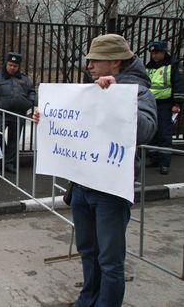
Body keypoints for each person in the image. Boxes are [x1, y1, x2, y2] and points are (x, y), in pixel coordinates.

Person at [35, 34, 157, 307]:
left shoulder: (137, 91)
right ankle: (88, 299)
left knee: (110, 260)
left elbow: (147, 129)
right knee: (88, 250)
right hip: (82, 187)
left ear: (115, 62)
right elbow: (76, 128)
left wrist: (116, 97)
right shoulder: (91, 90)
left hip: (110, 192)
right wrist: (45, 118)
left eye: (95, 59)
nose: (89, 65)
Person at [0, 52, 36, 173]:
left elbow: (32, 91)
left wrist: (30, 102)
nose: (12, 67)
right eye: (10, 65)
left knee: (14, 139)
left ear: (18, 66)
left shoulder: (24, 78)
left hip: (19, 114)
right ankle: (5, 155)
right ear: (6, 64)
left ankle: (9, 163)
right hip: (2, 113)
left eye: (15, 66)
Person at [145, 41, 184, 175]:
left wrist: (176, 103)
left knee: (164, 133)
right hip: (151, 103)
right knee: (152, 132)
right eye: (153, 53)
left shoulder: (172, 65)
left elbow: (178, 84)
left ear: (163, 52)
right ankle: (154, 159)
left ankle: (164, 163)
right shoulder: (149, 66)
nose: (154, 56)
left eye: (157, 53)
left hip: (165, 104)